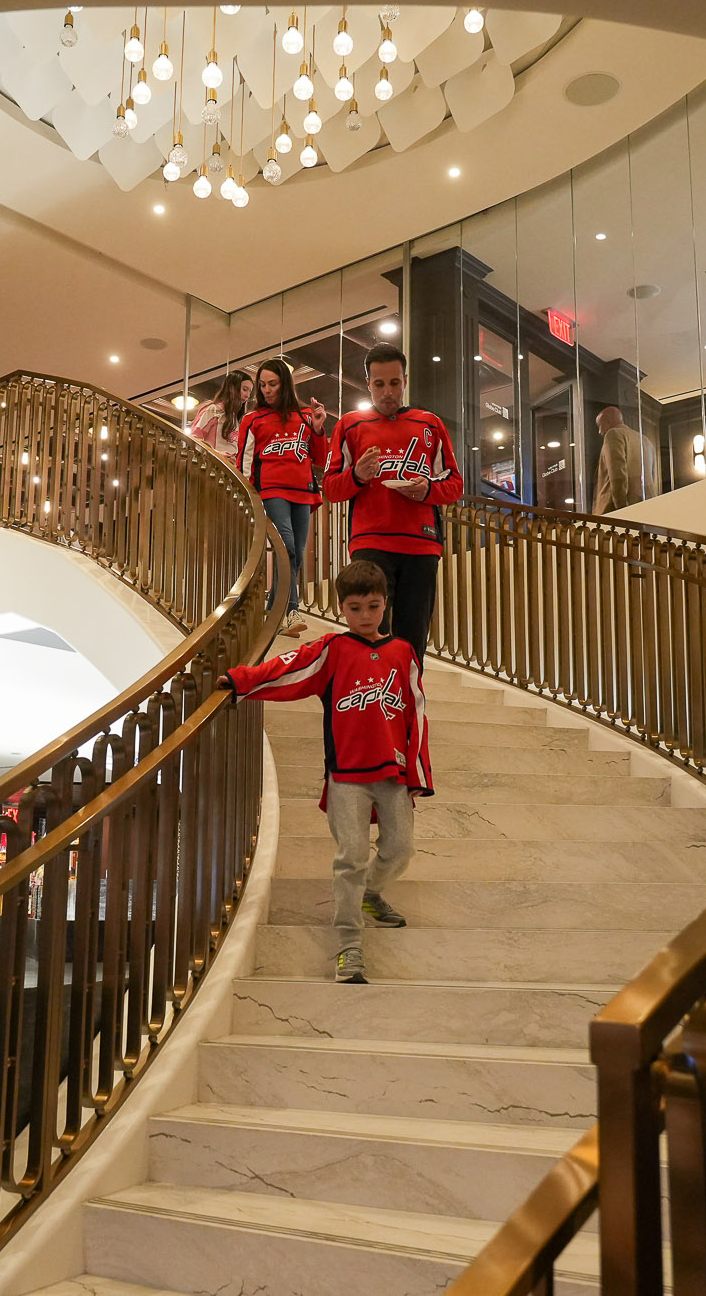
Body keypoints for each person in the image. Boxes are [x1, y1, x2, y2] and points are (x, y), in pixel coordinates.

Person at [219, 560, 432, 984]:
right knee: (349, 857)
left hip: (393, 774)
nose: (366, 616)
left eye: (373, 606)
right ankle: (349, 945)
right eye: (356, 608)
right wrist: (241, 680)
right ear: (341, 609)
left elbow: (417, 714)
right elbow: (288, 670)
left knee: (401, 849)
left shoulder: (402, 653)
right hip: (347, 777)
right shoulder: (333, 650)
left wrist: (418, 776)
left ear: (386, 604)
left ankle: (371, 893)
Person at [321, 344, 464, 660]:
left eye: (394, 383)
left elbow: (454, 485)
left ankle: (410, 708)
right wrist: (357, 475)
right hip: (370, 544)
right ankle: (373, 706)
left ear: (405, 381)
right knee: (371, 639)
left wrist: (427, 489)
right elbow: (330, 489)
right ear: (369, 384)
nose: (388, 392)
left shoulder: (430, 424)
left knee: (413, 642)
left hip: (422, 546)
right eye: (380, 384)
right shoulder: (349, 425)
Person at [240, 357, 330, 637]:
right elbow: (244, 461)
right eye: (263, 384)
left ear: (285, 384)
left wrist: (317, 428)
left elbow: (320, 458)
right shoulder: (252, 419)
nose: (267, 390)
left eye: (273, 384)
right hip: (271, 490)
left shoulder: (304, 415)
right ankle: (291, 611)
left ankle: (273, 610)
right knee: (287, 547)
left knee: (296, 554)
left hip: (303, 491)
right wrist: (248, 495)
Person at [187, 370, 251, 468]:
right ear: (232, 388)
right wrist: (217, 454)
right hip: (211, 469)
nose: (247, 396)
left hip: (230, 473)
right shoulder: (214, 410)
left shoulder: (237, 420)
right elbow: (194, 439)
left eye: (250, 391)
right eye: (244, 389)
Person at [592, 405, 643, 514]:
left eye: (600, 426)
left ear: (608, 422)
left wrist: (621, 509)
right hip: (643, 509)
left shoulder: (613, 434)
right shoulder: (645, 441)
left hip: (614, 512)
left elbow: (618, 475)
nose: (600, 432)